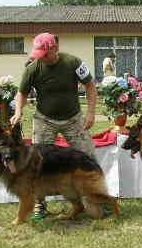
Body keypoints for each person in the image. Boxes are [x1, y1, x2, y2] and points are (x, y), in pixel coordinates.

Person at [10, 32, 97, 219]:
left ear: (55, 48)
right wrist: (18, 112)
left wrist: (90, 113)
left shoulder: (73, 63)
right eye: (38, 54)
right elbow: (22, 94)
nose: (41, 58)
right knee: (35, 163)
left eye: (45, 54)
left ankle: (97, 199)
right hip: (44, 120)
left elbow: (90, 86)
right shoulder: (32, 69)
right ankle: (39, 206)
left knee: (89, 157)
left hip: (73, 119)